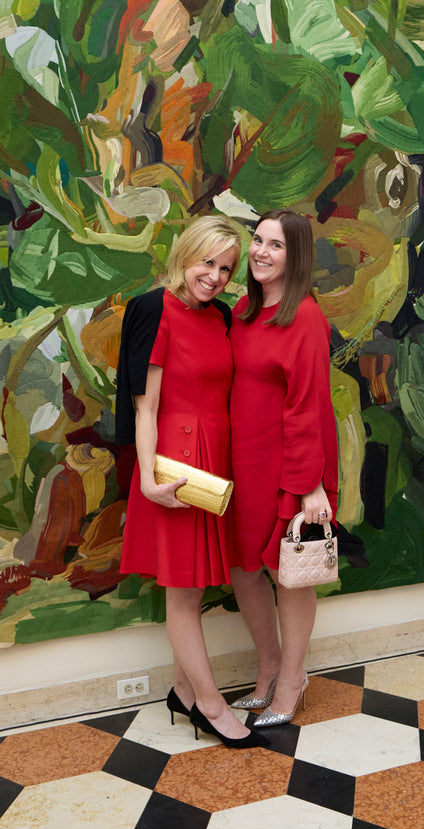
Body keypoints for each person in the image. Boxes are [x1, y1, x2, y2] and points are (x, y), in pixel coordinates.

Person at [116, 215, 268, 749]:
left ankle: (184, 689)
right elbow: (145, 405)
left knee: (199, 584)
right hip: (175, 466)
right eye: (208, 262)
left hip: (215, 459)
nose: (217, 276)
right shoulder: (154, 308)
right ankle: (210, 705)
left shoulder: (222, 317)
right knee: (182, 594)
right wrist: (151, 477)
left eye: (227, 268)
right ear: (186, 254)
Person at [228, 209, 338, 726]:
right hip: (241, 462)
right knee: (243, 568)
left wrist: (311, 485)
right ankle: (268, 666)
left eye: (276, 245)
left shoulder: (306, 317)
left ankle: (292, 680)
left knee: (289, 576)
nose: (261, 252)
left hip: (287, 464)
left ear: (296, 258)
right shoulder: (243, 313)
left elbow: (309, 404)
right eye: (257, 240)